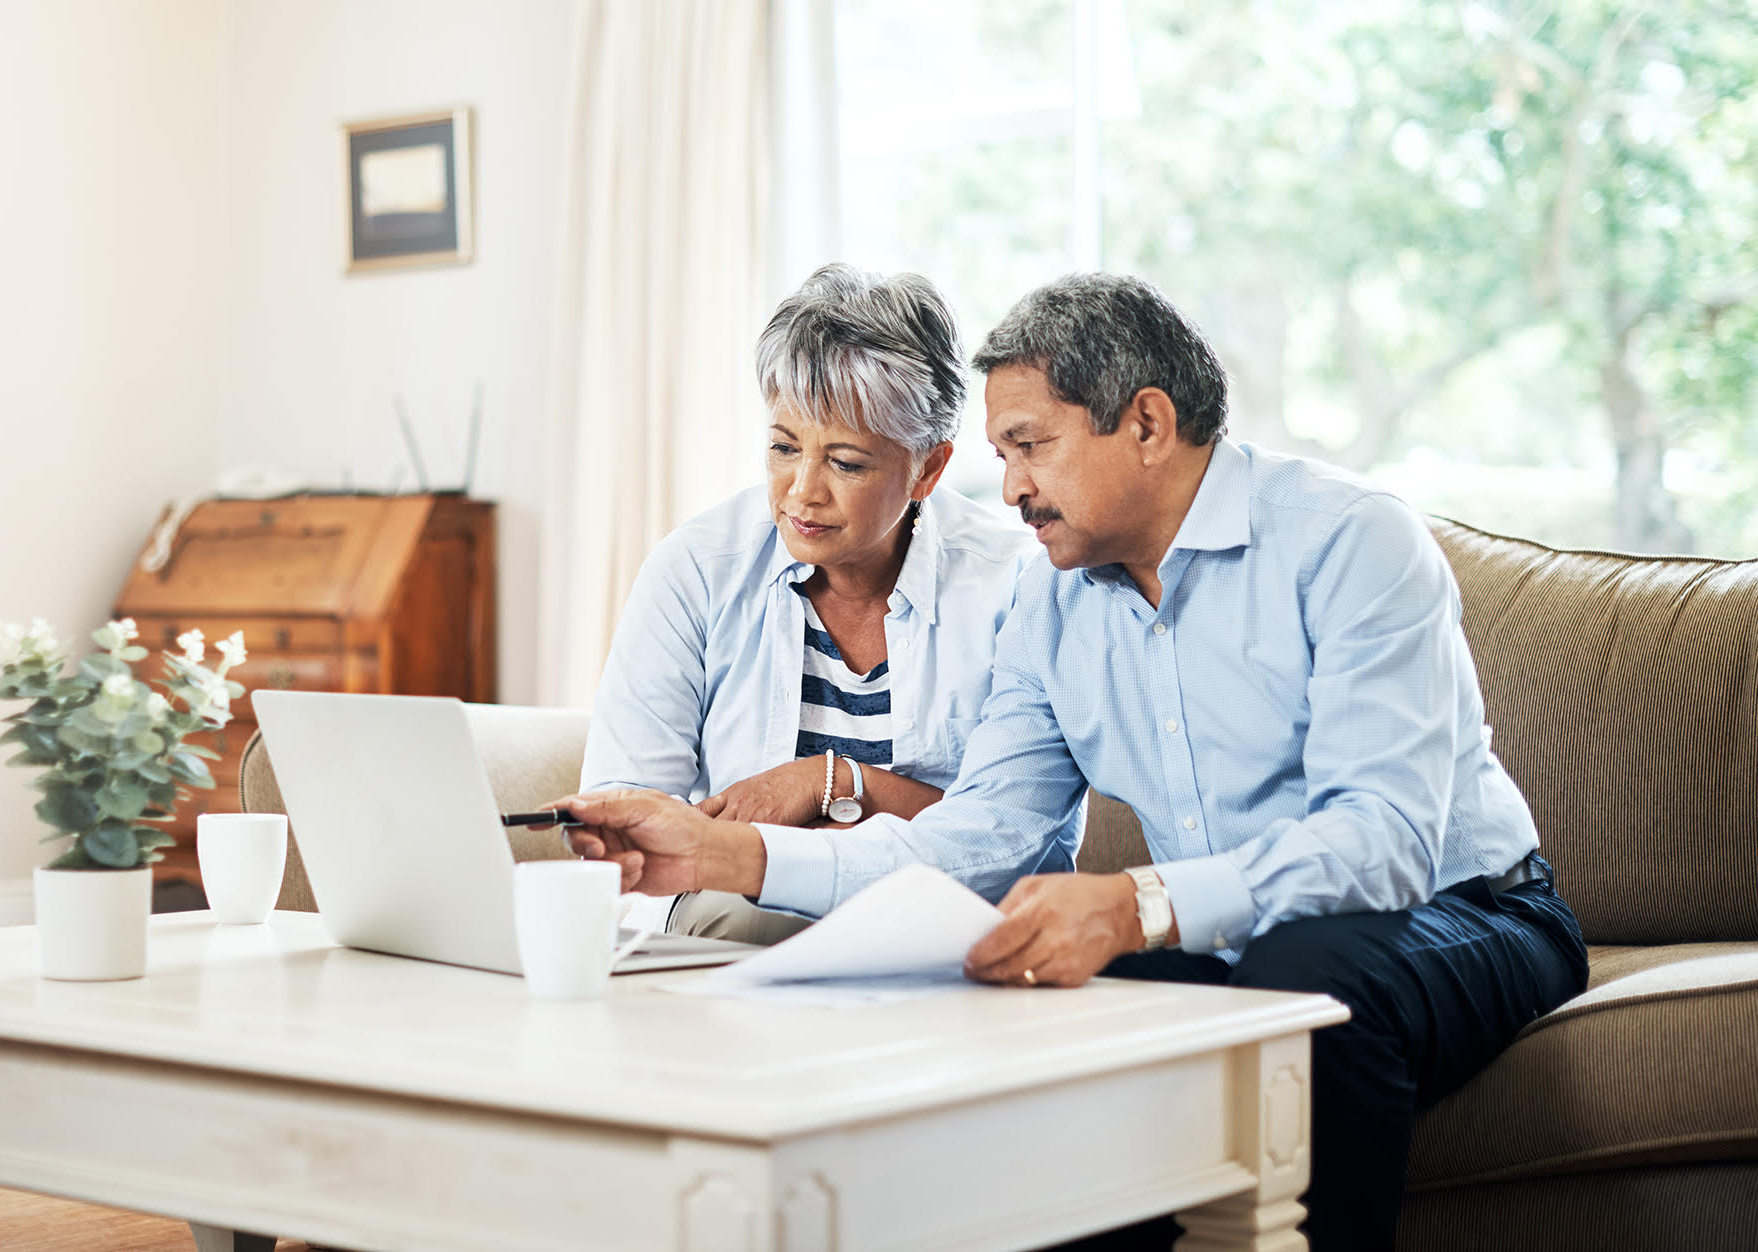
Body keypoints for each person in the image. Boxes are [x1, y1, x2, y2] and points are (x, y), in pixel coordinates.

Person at [551, 273, 1588, 1249]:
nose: (1008, 489)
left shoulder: (1352, 542)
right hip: (1241, 935)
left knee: (1298, 982)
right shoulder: (1048, 599)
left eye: (1028, 447)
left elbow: (1385, 843)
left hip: (1469, 906)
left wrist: (1134, 903)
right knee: (1046, 1021)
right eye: (1002, 456)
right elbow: (980, 837)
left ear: (1145, 423)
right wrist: (726, 856)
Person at [579, 262, 1047, 944]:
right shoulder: (697, 570)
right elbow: (625, 806)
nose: (802, 492)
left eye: (846, 463)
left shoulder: (1012, 586)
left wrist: (832, 781)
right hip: (735, 927)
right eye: (783, 447)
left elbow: (1019, 840)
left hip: (935, 929)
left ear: (928, 468)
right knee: (740, 918)